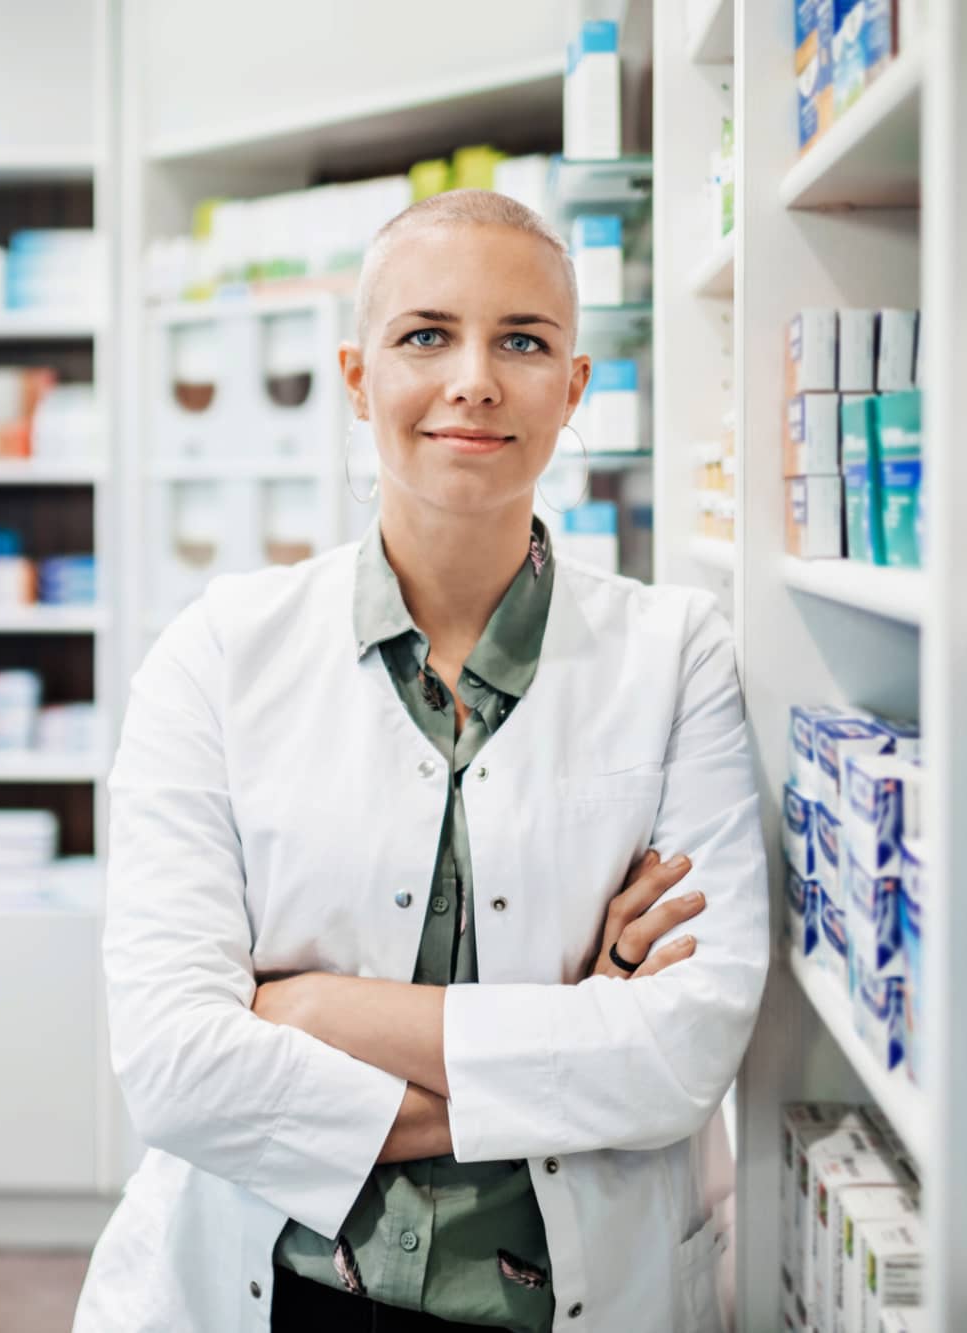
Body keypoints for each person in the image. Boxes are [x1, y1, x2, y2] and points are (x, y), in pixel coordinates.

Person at [75, 190, 768, 1333]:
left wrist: (308, 1011)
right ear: (356, 376)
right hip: (274, 1291)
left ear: (573, 387)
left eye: (523, 342)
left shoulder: (674, 655)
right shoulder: (216, 653)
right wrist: (566, 1032)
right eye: (424, 335)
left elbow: (680, 1050)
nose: (474, 379)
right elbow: (171, 1066)